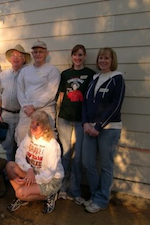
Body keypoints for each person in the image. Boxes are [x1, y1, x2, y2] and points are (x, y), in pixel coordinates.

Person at [82, 47, 125, 213]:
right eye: (100, 58)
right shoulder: (94, 78)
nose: (103, 61)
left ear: (112, 60)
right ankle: (94, 195)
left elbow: (116, 106)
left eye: (106, 58)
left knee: (106, 166)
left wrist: (99, 126)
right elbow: (85, 102)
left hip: (109, 129)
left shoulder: (117, 79)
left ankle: (101, 200)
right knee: (88, 162)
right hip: (89, 128)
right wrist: (86, 123)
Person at [57, 45, 96, 203]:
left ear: (84, 56)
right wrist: (57, 115)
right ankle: (62, 188)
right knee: (65, 154)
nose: (77, 58)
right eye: (75, 55)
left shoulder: (90, 74)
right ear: (71, 56)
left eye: (80, 55)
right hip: (65, 117)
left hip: (82, 119)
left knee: (79, 157)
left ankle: (75, 190)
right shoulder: (65, 74)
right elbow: (60, 96)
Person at [6, 111, 64, 214]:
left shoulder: (52, 145)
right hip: (33, 173)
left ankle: (49, 195)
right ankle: (25, 195)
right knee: (10, 166)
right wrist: (29, 169)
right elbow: (19, 155)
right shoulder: (29, 137)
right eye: (32, 122)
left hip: (50, 180)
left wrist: (27, 180)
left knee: (19, 192)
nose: (33, 126)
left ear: (45, 127)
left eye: (38, 124)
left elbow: (48, 175)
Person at [16, 40, 61, 145]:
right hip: (26, 111)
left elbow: (51, 93)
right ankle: (22, 161)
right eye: (35, 52)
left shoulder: (52, 70)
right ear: (32, 54)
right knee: (22, 139)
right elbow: (20, 90)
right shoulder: (25, 71)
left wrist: (34, 106)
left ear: (46, 53)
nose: (38, 54)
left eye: (41, 51)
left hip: (44, 110)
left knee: (44, 142)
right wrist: (26, 106)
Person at [0, 44, 31, 161]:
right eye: (13, 55)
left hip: (24, 115)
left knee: (23, 146)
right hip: (6, 115)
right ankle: (6, 175)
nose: (16, 58)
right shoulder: (3, 75)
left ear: (24, 59)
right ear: (10, 58)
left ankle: (20, 173)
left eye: (19, 55)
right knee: (6, 146)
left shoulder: (28, 75)